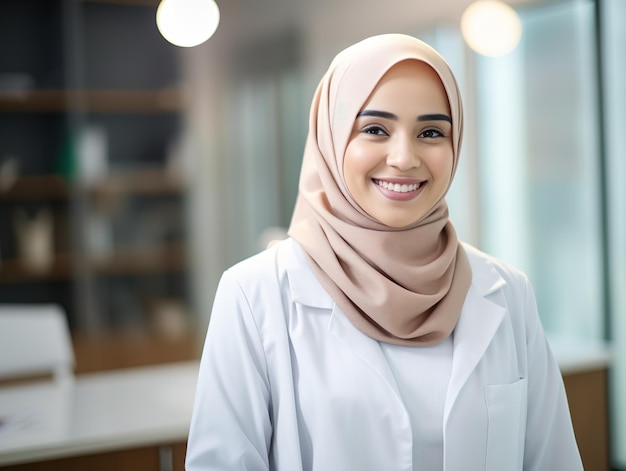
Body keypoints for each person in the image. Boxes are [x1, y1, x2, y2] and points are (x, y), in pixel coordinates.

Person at [185, 33, 583, 471]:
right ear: (331, 139)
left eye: (431, 131)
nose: (403, 158)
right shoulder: (254, 294)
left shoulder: (506, 292)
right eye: (375, 129)